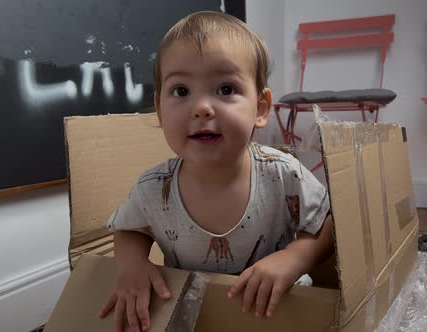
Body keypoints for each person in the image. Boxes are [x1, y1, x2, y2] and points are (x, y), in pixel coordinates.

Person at [99, 11, 334, 332]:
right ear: (159, 109)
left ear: (261, 109)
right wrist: (132, 264)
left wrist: (295, 259)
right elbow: (128, 229)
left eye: (225, 89)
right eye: (181, 91)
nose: (202, 107)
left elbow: (324, 224)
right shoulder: (153, 188)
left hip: (274, 307)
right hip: (196, 312)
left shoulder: (283, 174)